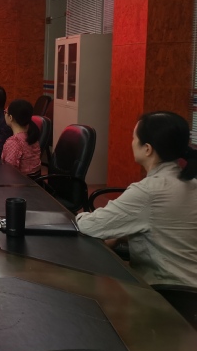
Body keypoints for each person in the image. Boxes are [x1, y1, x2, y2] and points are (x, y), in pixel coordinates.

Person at [76, 111, 197, 286]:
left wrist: (82, 216)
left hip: (167, 293)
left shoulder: (149, 191)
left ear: (147, 149)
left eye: (134, 138)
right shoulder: (191, 182)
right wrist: (125, 232)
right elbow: (170, 231)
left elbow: (88, 226)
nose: (131, 143)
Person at [1, 99, 41, 176]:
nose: (4, 114)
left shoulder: (13, 142)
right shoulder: (32, 136)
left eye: (5, 112)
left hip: (19, 182)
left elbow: (9, 174)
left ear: (10, 117)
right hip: (33, 182)